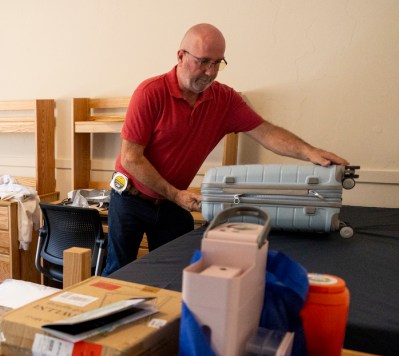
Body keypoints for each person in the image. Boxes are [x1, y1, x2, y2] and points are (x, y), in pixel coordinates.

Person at [102, 23, 349, 276]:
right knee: (119, 274)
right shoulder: (150, 93)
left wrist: (310, 152)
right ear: (180, 56)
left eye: (218, 63)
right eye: (203, 62)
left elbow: (266, 132)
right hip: (131, 199)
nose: (210, 72)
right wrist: (176, 195)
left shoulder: (225, 100)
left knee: (177, 275)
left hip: (172, 203)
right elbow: (132, 159)